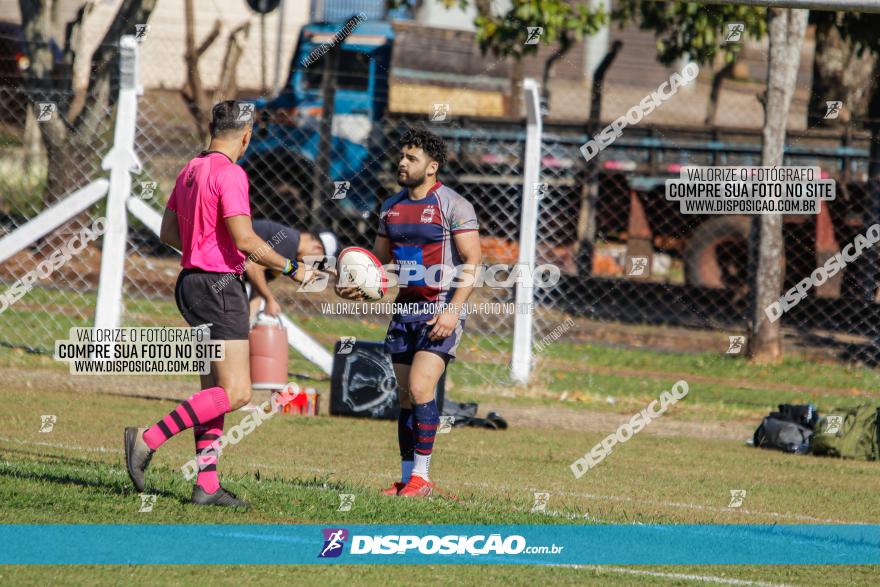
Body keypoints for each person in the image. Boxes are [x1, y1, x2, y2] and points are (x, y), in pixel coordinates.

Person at [124, 100, 317, 509]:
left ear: (214, 127)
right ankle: (147, 439)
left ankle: (207, 484)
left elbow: (167, 231)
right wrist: (294, 268)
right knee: (238, 392)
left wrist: (202, 249)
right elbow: (246, 241)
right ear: (246, 136)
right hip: (219, 288)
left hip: (191, 284)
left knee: (213, 390)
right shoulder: (231, 174)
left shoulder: (191, 169)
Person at [338, 127, 481, 497]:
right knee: (404, 397)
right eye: (401, 156)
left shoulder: (454, 205)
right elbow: (380, 264)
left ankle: (423, 478)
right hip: (405, 310)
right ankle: (406, 477)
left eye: (411, 158)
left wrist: (453, 312)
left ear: (432, 166)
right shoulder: (391, 207)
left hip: (440, 311)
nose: (402, 163)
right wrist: (356, 283)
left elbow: (474, 260)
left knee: (420, 388)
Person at [245, 219, 338, 318]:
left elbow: (258, 287)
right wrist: (269, 300)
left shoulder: (290, 253)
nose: (312, 266)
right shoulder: (290, 242)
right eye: (318, 263)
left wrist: (249, 322)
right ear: (317, 248)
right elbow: (252, 267)